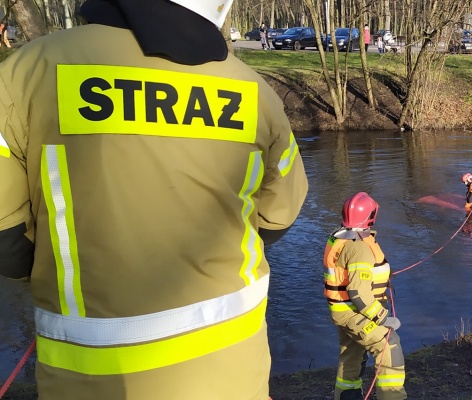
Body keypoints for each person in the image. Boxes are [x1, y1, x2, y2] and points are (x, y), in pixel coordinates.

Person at [0, 0, 309, 399]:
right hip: (235, 369)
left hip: (91, 379)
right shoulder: (255, 91)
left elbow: (7, 238)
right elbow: (278, 216)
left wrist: (62, 273)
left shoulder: (27, 73)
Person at [325, 192, 407, 400]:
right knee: (388, 346)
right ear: (370, 216)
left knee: (351, 355)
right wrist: (383, 318)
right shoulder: (359, 247)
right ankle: (392, 396)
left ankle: (346, 395)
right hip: (354, 312)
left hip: (342, 311)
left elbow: (351, 275)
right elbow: (358, 292)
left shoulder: (339, 238)